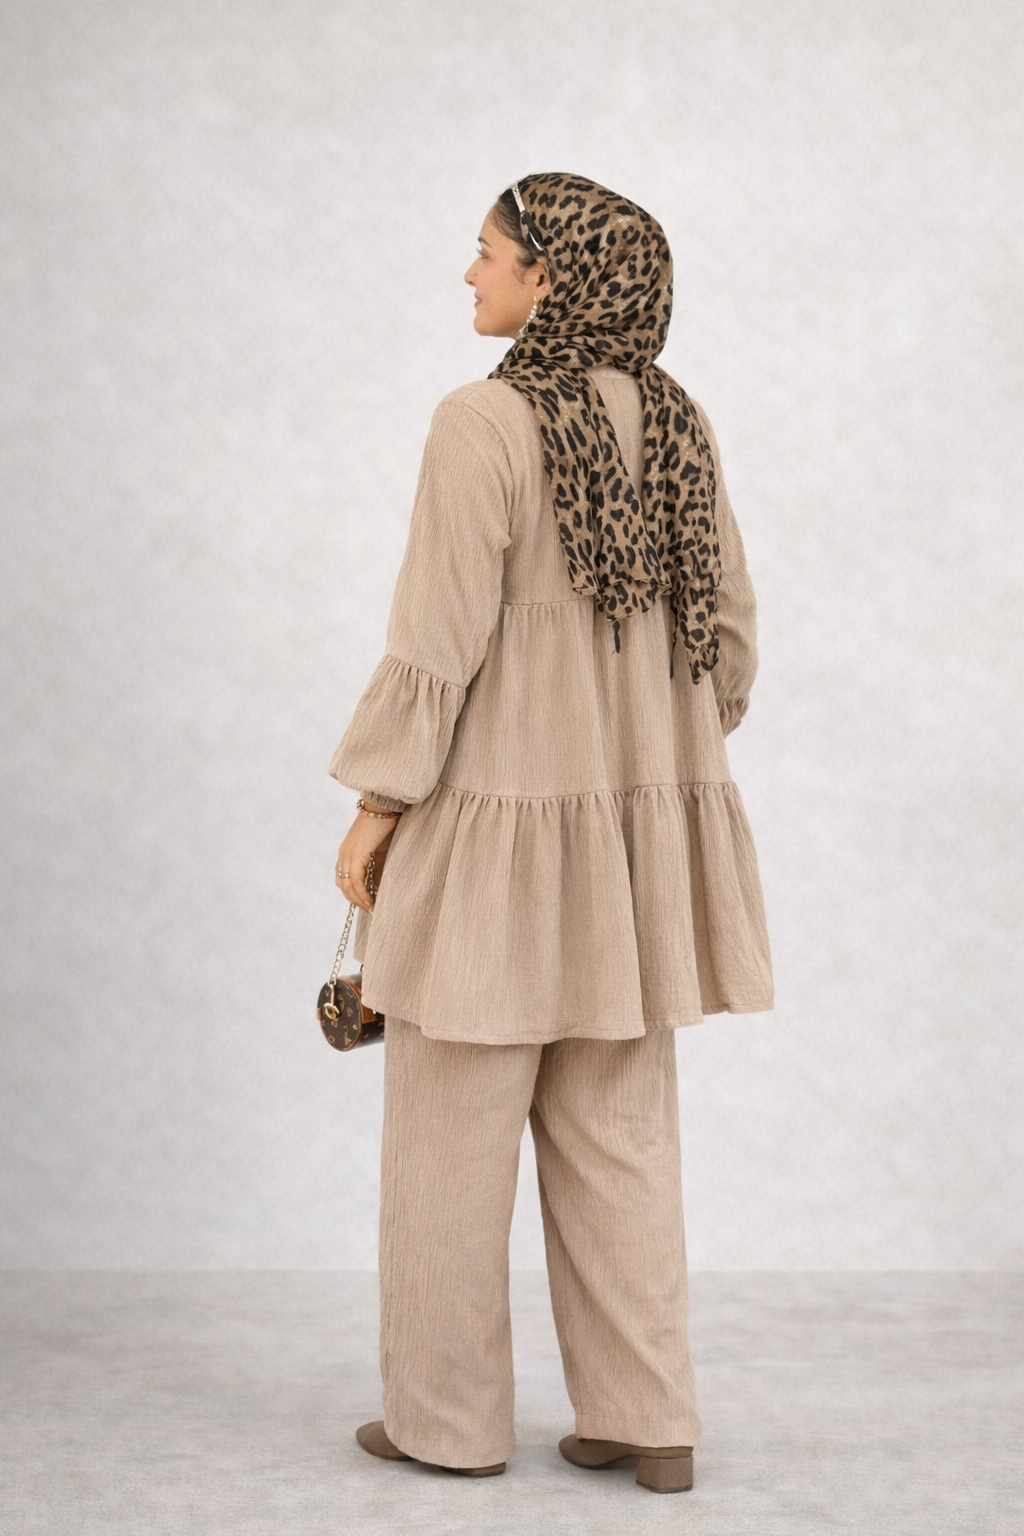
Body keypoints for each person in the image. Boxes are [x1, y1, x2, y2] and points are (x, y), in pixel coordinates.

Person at [328, 171, 773, 1494]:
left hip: (493, 850)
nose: (469, 275)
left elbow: (438, 639)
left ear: (548, 278)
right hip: (637, 862)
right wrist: (649, 756)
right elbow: (729, 640)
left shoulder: (481, 423)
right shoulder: (676, 419)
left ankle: (446, 1425)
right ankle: (650, 1421)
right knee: (621, 1136)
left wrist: (379, 803)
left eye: (487, 253)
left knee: (448, 1150)